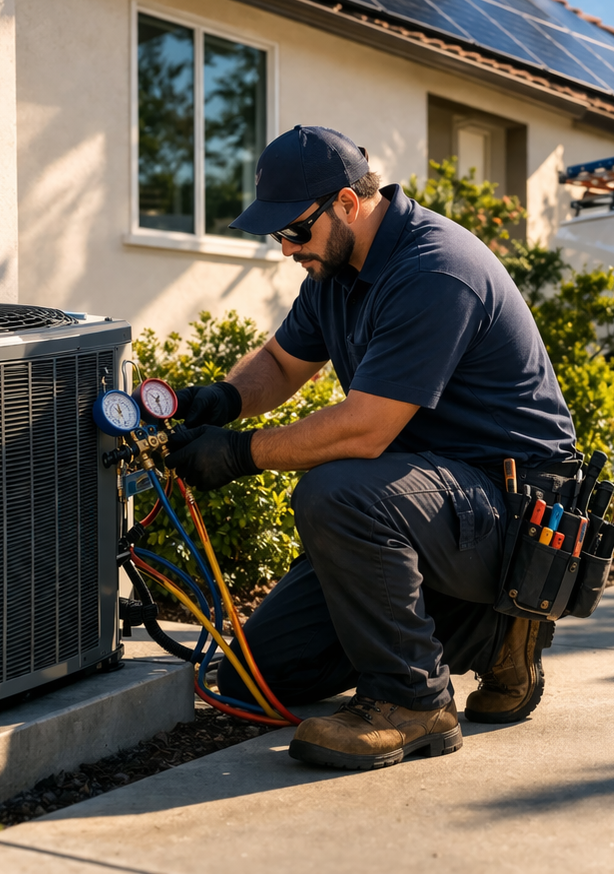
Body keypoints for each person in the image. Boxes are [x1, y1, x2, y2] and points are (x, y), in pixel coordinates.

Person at [164, 125, 579, 771]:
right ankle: (493, 632)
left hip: (511, 506)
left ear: (348, 204)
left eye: (295, 231)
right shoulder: (335, 271)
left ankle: (413, 702)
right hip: (429, 502)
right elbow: (279, 363)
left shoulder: (435, 269)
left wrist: (239, 453)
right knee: (253, 675)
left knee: (339, 490)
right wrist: (218, 400)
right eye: (277, 234)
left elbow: (366, 428)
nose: (285, 248)